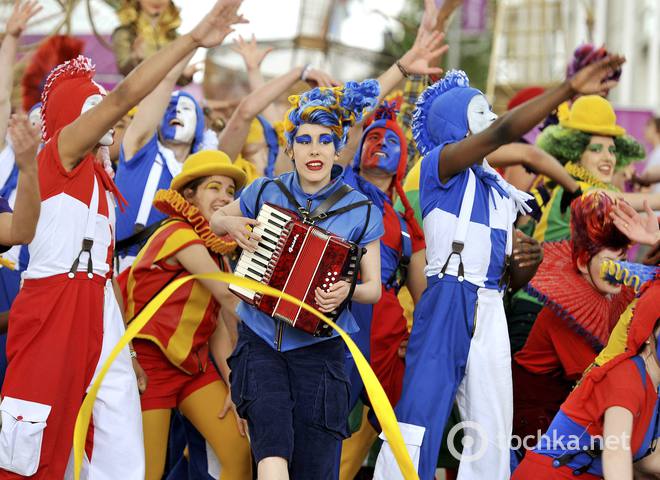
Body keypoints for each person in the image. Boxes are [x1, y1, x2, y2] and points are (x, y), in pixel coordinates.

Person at [0, 1, 246, 477]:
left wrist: (127, 347)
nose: (110, 116)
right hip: (54, 306)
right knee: (35, 442)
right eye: (93, 106)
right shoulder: (58, 156)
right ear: (73, 117)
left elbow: (106, 268)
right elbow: (124, 96)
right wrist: (193, 38)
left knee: (120, 448)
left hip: (103, 310)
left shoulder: (103, 182)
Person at [374, 55, 626, 480]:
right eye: (482, 112)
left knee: (492, 420)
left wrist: (526, 264)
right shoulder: (441, 164)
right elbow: (505, 131)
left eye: (491, 113)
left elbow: (509, 279)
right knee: (421, 414)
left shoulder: (497, 191)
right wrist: (566, 90)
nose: (492, 119)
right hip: (449, 295)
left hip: (490, 302)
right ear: (456, 125)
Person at [210, 80, 384, 479]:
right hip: (260, 343)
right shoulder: (264, 190)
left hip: (320, 353)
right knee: (271, 453)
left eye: (325, 140)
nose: (315, 149)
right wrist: (231, 224)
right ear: (290, 148)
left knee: (316, 467)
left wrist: (347, 290)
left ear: (338, 148)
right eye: (304, 140)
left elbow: (373, 288)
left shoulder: (361, 210)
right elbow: (216, 219)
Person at [122, 150, 252, 479]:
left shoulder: (217, 254)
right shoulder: (178, 233)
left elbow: (219, 331)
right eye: (214, 187)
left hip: (193, 369)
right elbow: (226, 294)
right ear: (188, 195)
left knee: (238, 451)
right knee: (147, 473)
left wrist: (233, 386)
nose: (224, 197)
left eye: (230, 191)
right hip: (149, 368)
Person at [338, 102, 427, 478]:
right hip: (336, 309)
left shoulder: (408, 220)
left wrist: (418, 336)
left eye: (390, 139)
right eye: (372, 137)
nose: (379, 143)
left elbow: (422, 293)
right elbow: (342, 145)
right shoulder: (341, 185)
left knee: (403, 419)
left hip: (386, 327)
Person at [512, 262, 660, 479]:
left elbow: (649, 461)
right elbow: (615, 453)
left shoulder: (655, 387)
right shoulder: (627, 375)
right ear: (647, 333)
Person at [512, 191, 635, 447]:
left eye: (623, 261)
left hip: (568, 401)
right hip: (535, 413)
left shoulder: (610, 294)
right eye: (612, 263)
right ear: (581, 262)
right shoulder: (565, 314)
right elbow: (594, 377)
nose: (620, 272)